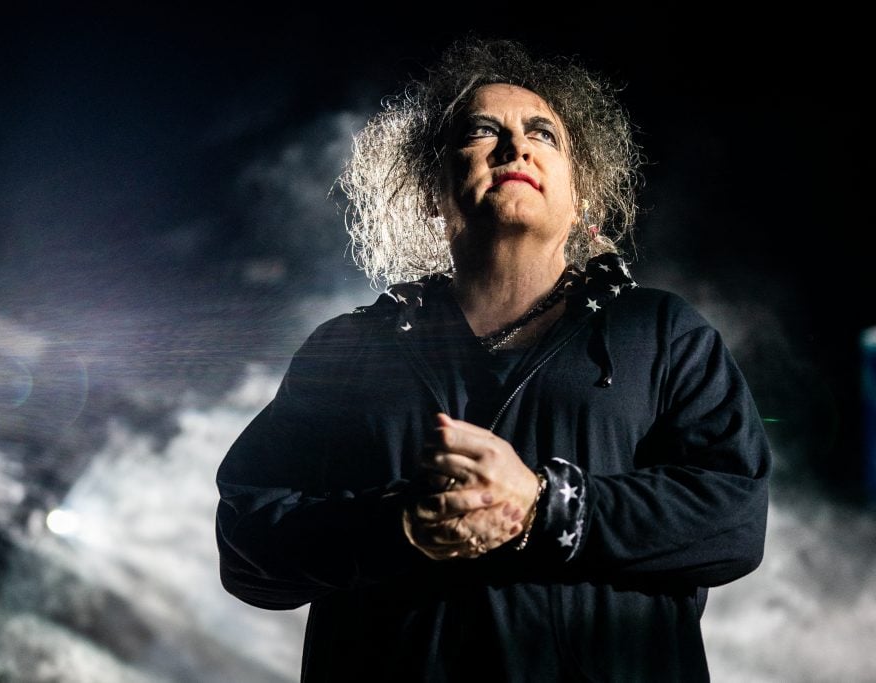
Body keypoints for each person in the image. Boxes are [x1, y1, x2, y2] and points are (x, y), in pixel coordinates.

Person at [215, 36, 770, 682]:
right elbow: (246, 541)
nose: (516, 147)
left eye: (544, 134)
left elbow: (734, 515)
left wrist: (545, 505)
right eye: (482, 131)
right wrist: (397, 527)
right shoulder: (347, 348)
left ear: (579, 196)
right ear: (432, 189)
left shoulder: (663, 332)